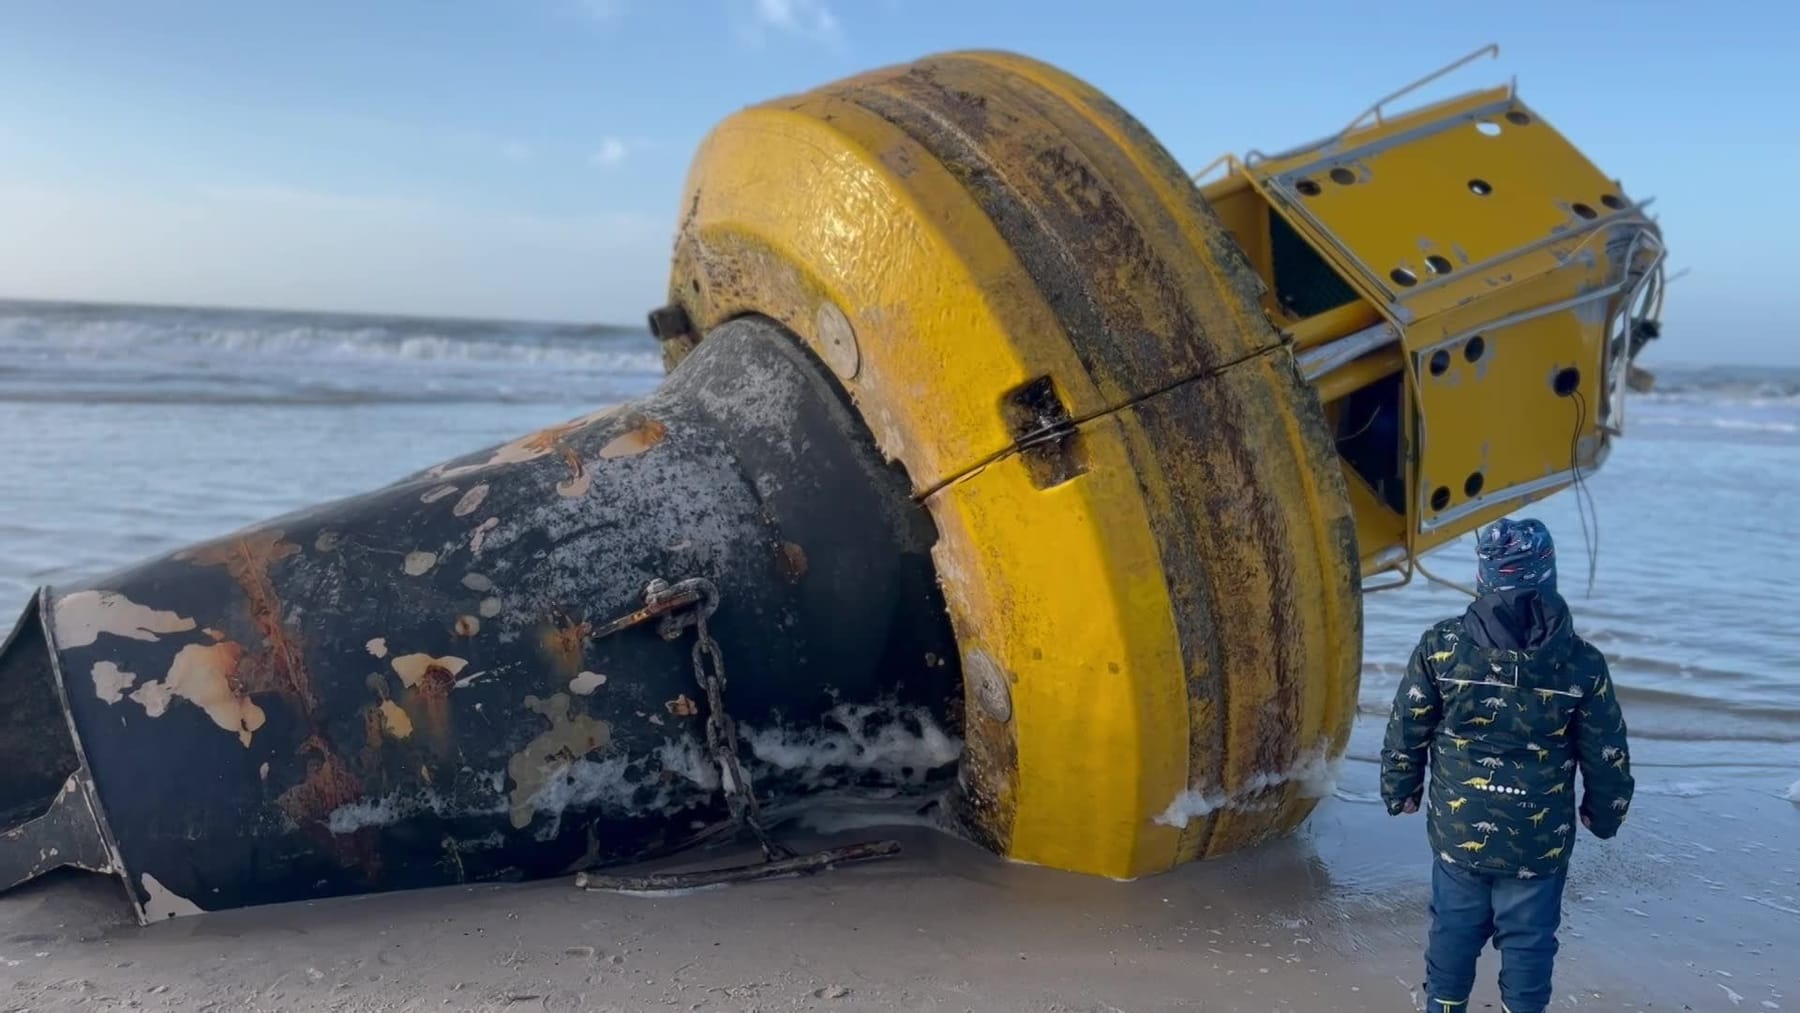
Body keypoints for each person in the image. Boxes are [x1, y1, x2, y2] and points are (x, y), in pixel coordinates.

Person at [1380, 518, 1634, 1013]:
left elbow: (1406, 727)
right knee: (1529, 940)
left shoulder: (1442, 647)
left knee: (1454, 928)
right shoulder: (1582, 662)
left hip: (1459, 833)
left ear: (1483, 579)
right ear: (1549, 577)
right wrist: (1605, 814)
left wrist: (1400, 789)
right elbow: (1608, 751)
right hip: (1537, 842)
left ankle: (1445, 1006)